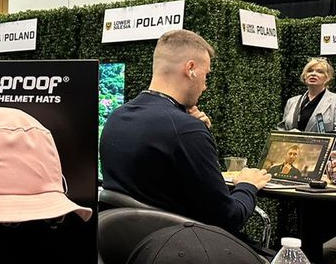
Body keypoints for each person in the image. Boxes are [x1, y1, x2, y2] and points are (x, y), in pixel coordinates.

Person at [100, 29, 270, 236]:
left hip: (124, 243)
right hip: (180, 244)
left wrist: (193, 131)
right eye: (206, 75)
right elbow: (228, 218)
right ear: (191, 69)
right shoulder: (186, 130)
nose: (205, 86)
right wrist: (247, 185)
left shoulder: (116, 117)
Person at [279, 58, 336, 132]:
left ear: (327, 77)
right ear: (304, 76)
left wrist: (307, 137)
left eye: (320, 72)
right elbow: (282, 128)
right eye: (310, 71)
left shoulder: (335, 101)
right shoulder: (292, 102)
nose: (313, 74)